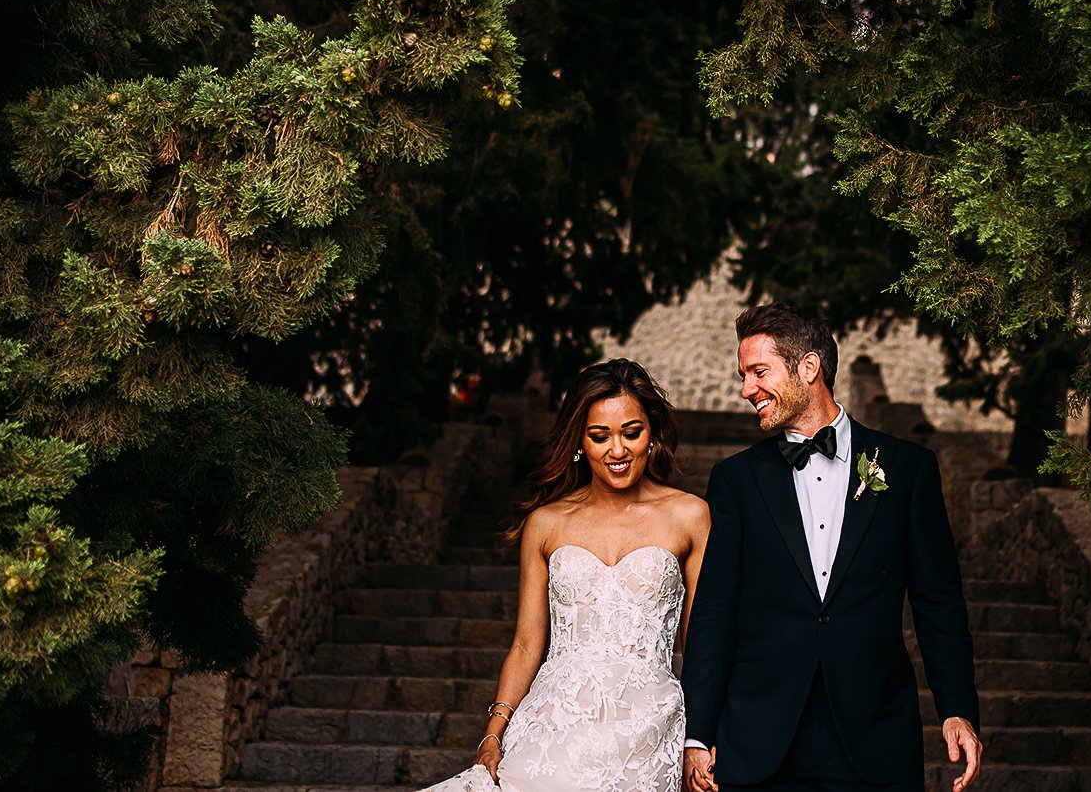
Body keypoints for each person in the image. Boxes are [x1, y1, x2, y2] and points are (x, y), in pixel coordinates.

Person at [682, 305, 982, 792]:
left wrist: (957, 710)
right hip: (760, 739)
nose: (746, 390)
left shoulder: (908, 470)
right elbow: (715, 613)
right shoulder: (736, 480)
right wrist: (697, 735)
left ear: (808, 367)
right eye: (744, 376)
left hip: (875, 736)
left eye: (759, 372)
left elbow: (938, 603)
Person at [420, 358, 708, 792]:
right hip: (553, 719)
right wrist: (493, 734)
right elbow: (525, 643)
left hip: (648, 725)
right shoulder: (546, 523)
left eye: (632, 433)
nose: (617, 450)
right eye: (599, 436)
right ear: (579, 441)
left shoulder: (689, 516)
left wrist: (700, 739)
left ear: (653, 434)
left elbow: (701, 642)